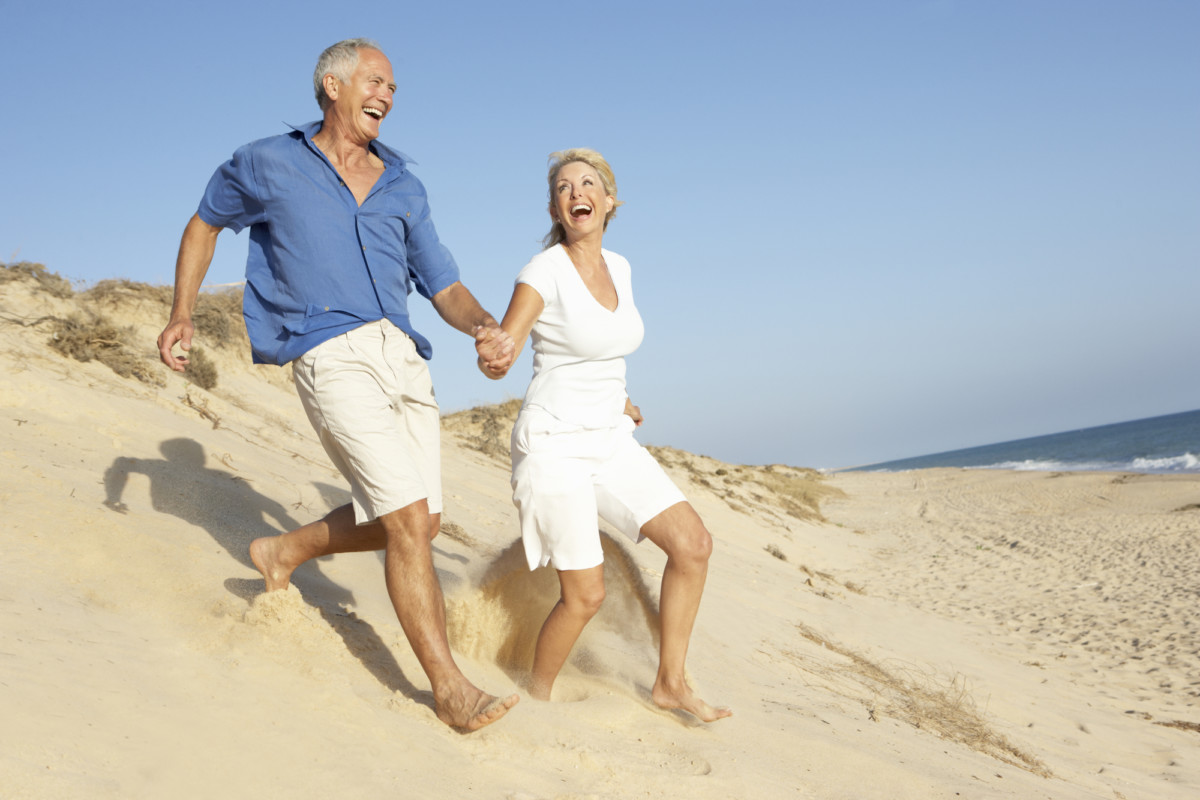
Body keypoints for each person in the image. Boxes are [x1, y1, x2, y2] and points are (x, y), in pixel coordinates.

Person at [157, 38, 518, 731]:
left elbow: (444, 285)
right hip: (328, 350)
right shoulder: (268, 161)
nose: (387, 94)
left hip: (403, 357)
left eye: (392, 87)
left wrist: (486, 327)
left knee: (419, 521)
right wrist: (181, 314)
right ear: (333, 84)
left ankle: (281, 550)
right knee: (409, 521)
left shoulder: (404, 185)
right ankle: (448, 688)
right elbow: (204, 224)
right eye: (375, 80)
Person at [481, 149, 731, 722]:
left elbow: (600, 348)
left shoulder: (620, 266)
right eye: (564, 188)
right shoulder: (542, 271)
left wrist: (617, 399)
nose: (576, 193)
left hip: (609, 436)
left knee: (693, 546)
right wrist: (497, 354)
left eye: (588, 184)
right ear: (555, 207)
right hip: (554, 444)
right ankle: (536, 699)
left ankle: (670, 683)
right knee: (585, 596)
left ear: (610, 200)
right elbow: (511, 340)